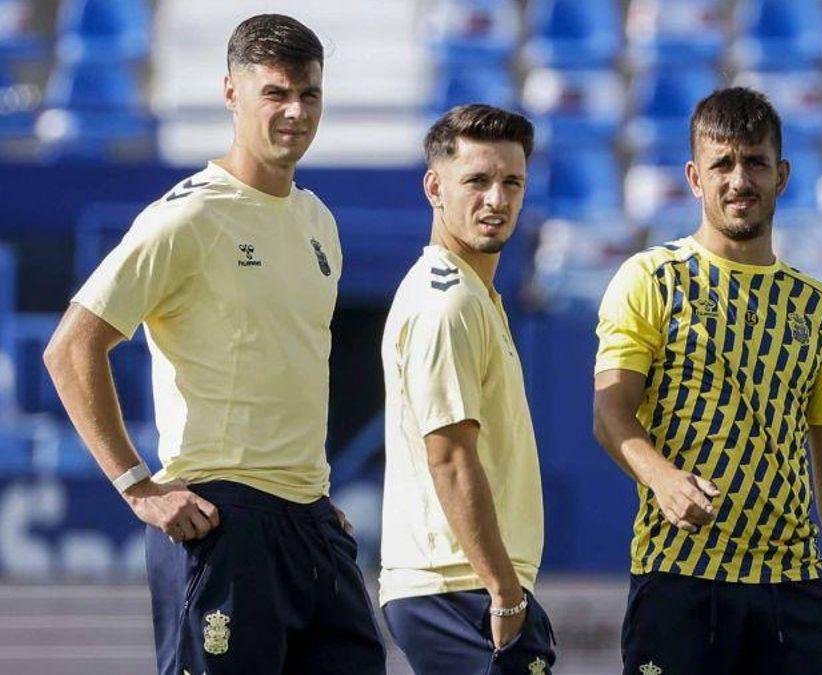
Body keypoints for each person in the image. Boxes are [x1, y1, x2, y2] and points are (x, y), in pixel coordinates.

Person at [42, 14, 386, 675]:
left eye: (309, 94)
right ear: (232, 92)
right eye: (276, 93)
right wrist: (138, 487)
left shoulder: (319, 221)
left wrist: (310, 496)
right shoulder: (190, 216)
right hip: (222, 522)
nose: (294, 111)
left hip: (311, 520)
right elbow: (72, 346)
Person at [592, 87, 822, 675]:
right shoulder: (651, 278)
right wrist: (663, 479)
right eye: (722, 164)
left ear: (781, 175)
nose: (739, 180)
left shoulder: (816, 307)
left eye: (755, 162)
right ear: (693, 177)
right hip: (678, 573)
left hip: (793, 582)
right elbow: (610, 414)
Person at [379, 104, 555, 675]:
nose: (497, 200)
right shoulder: (447, 301)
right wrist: (504, 592)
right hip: (457, 586)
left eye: (512, 182)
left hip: (466, 582)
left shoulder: (473, 294)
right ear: (435, 186)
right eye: (477, 181)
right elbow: (450, 458)